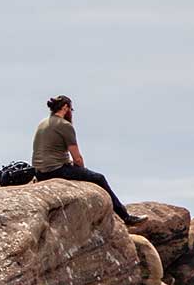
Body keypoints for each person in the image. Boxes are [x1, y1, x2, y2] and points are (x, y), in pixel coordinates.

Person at [32, 95, 141, 224]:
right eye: (71, 109)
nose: (71, 113)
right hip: (55, 170)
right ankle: (125, 216)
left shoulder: (43, 123)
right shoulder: (64, 125)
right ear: (65, 107)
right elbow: (77, 158)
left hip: (40, 172)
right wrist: (82, 171)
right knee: (98, 178)